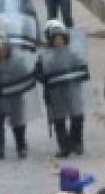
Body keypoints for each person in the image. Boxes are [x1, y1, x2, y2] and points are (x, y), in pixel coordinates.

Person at [38, 20, 90, 158]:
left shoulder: (74, 52)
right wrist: (46, 78)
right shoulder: (45, 55)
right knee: (59, 120)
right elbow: (38, 73)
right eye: (55, 39)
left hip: (72, 89)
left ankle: (77, 142)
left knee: (77, 117)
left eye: (61, 39)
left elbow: (84, 69)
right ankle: (64, 147)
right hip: (55, 92)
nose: (58, 41)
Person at [0, 33, 33, 160]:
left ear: (8, 50)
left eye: (4, 49)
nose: (1, 52)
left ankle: (21, 147)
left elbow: (25, 77)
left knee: (18, 124)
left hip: (15, 97)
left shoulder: (17, 63)